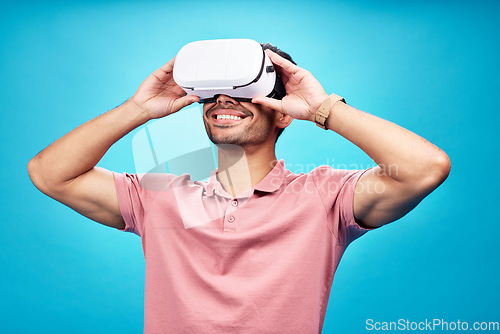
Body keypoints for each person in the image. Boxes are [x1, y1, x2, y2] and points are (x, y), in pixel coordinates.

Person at [28, 42, 450, 333]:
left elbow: (424, 169)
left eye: (244, 91)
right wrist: (136, 110)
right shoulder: (157, 197)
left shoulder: (326, 197)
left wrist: (323, 108)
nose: (223, 100)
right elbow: (50, 174)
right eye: (213, 92)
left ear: (282, 113)